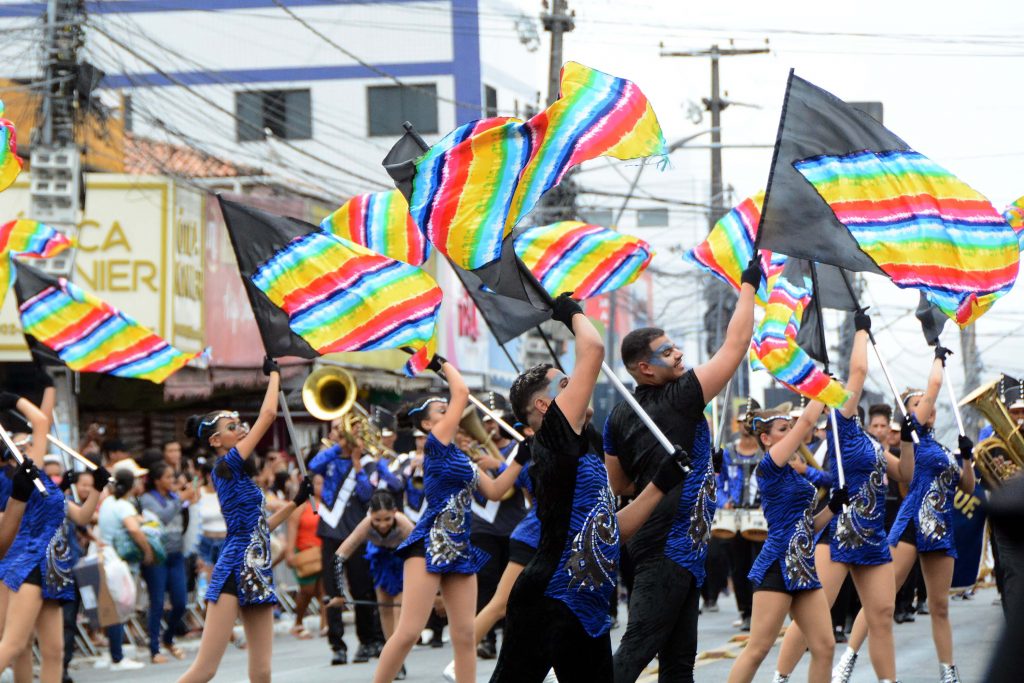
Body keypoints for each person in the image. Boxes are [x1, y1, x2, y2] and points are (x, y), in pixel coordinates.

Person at [489, 293, 692, 683]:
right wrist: (571, 313)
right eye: (564, 384)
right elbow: (594, 348)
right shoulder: (551, 438)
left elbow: (608, 534)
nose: (575, 385)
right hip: (549, 599)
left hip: (589, 605)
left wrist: (659, 484)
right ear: (546, 408)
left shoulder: (584, 447)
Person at [605, 257, 760, 683]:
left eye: (675, 347)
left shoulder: (617, 416)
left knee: (678, 667)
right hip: (668, 550)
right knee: (634, 654)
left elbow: (618, 484)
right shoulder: (679, 396)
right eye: (667, 351)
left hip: (674, 551)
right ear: (644, 368)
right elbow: (735, 345)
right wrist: (748, 287)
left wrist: (700, 469)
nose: (679, 355)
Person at [372, 357, 527, 683]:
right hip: (429, 542)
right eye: (441, 411)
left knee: (465, 634)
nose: (451, 412)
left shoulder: (461, 456)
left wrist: (519, 459)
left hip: (459, 546)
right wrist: (439, 363)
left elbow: (496, 490)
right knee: (409, 631)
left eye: (447, 409)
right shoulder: (436, 445)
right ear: (428, 425)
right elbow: (461, 391)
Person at [772, 312, 906, 683]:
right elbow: (859, 372)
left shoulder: (871, 444)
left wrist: (910, 437)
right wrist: (861, 330)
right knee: (813, 616)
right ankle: (780, 678)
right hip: (838, 534)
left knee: (881, 617)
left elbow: (906, 474)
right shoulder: (841, 428)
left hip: (873, 538)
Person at [833, 346, 975, 683]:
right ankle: (847, 661)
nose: (928, 406)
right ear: (908, 412)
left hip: (940, 529)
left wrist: (967, 457)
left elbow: (968, 487)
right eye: (918, 403)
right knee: (880, 600)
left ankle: (948, 672)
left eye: (926, 403)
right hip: (911, 524)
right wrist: (938, 358)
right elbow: (936, 388)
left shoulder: (941, 448)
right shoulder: (913, 443)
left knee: (940, 607)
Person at [176, 357, 314, 683]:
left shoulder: (242, 477)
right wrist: (276, 375)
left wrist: (296, 501)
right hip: (234, 567)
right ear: (215, 441)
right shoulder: (227, 466)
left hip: (258, 567)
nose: (239, 429)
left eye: (239, 424)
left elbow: (262, 529)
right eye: (232, 427)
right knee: (205, 670)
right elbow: (267, 415)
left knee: (263, 671)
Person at [724, 401, 847, 683]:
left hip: (803, 567)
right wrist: (819, 392)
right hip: (778, 565)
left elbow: (808, 527)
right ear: (765, 439)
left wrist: (832, 507)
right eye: (783, 429)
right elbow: (805, 424)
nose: (791, 432)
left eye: (790, 427)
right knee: (758, 649)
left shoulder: (792, 472)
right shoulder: (769, 467)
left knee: (824, 647)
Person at [0, 388, 108, 683]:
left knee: (54, 651)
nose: (27, 445)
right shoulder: (13, 478)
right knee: (12, 646)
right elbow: (41, 421)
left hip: (54, 566)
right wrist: (11, 399)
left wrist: (97, 486)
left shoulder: (39, 481)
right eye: (19, 444)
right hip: (28, 562)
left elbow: (82, 517)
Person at [310, 417, 386, 666]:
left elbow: (366, 494)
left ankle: (368, 640)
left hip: (356, 534)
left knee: (361, 588)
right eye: (340, 432)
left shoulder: (369, 463)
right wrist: (339, 446)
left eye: (348, 433)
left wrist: (355, 463)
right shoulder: (330, 458)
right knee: (332, 592)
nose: (342, 437)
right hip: (331, 531)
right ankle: (337, 645)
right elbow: (313, 465)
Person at [331, 490, 413, 678]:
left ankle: (397, 658)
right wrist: (339, 592)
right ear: (370, 515)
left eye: (387, 519)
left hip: (403, 559)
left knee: (398, 609)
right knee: (385, 609)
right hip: (381, 559)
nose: (382, 525)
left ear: (394, 512)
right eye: (377, 520)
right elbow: (339, 557)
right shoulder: (365, 525)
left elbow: (426, 550)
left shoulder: (404, 524)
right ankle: (394, 659)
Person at [717, 400, 765, 631]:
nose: (745, 425)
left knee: (760, 563)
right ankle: (745, 611)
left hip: (760, 516)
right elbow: (718, 482)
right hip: (734, 515)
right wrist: (723, 500)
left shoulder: (767, 452)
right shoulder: (727, 451)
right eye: (741, 419)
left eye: (750, 419)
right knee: (738, 565)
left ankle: (761, 611)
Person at [97, 467, 151, 671]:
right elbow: (134, 530)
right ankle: (118, 657)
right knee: (122, 607)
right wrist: (147, 550)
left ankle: (116, 653)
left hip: (107, 557)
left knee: (114, 607)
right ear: (131, 485)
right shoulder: (124, 506)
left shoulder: (108, 502)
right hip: (121, 562)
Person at [140, 461, 192, 663]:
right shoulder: (147, 499)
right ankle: (154, 648)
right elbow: (161, 517)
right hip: (157, 556)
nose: (172, 481)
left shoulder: (174, 497)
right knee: (158, 602)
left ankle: (168, 637)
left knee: (180, 602)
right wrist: (180, 499)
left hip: (177, 554)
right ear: (157, 480)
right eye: (168, 477)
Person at [285, 473, 324, 640]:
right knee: (307, 590)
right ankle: (298, 622)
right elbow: (292, 529)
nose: (320, 487)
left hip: (323, 552)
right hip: (303, 552)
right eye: (317, 483)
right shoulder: (302, 506)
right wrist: (289, 553)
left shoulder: (329, 505)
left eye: (323, 484)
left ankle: (325, 624)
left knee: (324, 591)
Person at [194, 459, 225, 601]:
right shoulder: (199, 493)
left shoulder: (227, 492)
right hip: (204, 541)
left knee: (224, 581)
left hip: (225, 541)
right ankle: (203, 615)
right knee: (206, 581)